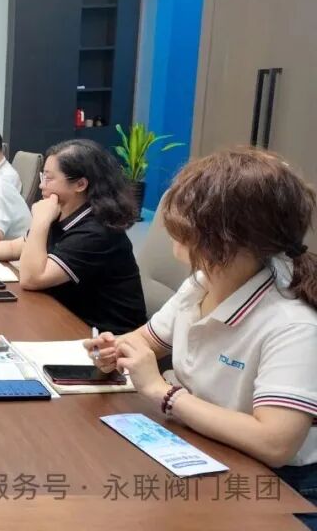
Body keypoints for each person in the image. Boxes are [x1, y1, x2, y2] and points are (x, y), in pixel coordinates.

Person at [84, 149, 317, 522]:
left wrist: (162, 392)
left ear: (227, 237)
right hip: (206, 445)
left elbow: (275, 443)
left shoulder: (293, 324)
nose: (170, 227)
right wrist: (116, 348)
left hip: (280, 486)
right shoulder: (203, 282)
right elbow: (146, 340)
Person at [0, 139, 146, 333]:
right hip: (64, 315)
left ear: (80, 184)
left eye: (49, 179)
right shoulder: (61, 211)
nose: (42, 186)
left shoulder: (96, 231)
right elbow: (13, 247)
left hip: (103, 338)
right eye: (43, 177)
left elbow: (32, 278)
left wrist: (39, 222)